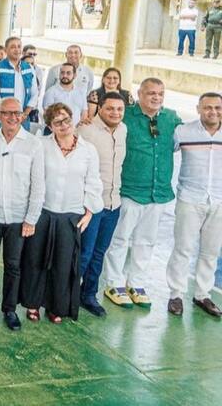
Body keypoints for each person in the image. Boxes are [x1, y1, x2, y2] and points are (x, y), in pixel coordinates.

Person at [103, 78, 181, 309]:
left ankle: (136, 283)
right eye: (151, 93)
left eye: (160, 93)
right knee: (119, 238)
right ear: (140, 94)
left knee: (146, 241)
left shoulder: (171, 118)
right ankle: (113, 282)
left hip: (158, 192)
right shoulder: (125, 115)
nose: (156, 97)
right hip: (130, 190)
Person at [20, 103, 102, 323]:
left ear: (72, 119)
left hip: (71, 215)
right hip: (43, 212)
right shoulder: (40, 145)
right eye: (57, 122)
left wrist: (89, 212)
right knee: (35, 260)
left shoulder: (88, 150)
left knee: (63, 264)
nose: (64, 125)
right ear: (50, 126)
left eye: (66, 119)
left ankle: (56, 306)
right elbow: (32, 179)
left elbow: (93, 182)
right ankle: (33, 303)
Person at [0, 97, 45, 331]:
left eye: (17, 113)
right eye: (7, 113)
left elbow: (38, 185)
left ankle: (10, 309)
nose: (12, 117)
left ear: (23, 116)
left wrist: (31, 218)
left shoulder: (33, 144)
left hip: (18, 217)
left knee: (13, 264)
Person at [165, 92, 222, 318]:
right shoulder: (183, 132)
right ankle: (176, 294)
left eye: (217, 107)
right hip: (189, 199)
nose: (213, 112)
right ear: (198, 109)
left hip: (219, 201)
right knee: (183, 248)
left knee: (210, 251)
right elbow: (163, 150)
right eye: (208, 107)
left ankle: (202, 294)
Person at [76, 92, 127, 317]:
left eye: (119, 109)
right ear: (100, 108)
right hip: (91, 204)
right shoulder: (86, 130)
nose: (115, 113)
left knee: (99, 253)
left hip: (113, 203)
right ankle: (66, 295)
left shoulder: (123, 129)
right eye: (110, 108)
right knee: (83, 254)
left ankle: (88, 295)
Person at [0, 37, 38, 131]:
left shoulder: (29, 68)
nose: (17, 50)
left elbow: (34, 94)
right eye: (13, 47)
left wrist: (25, 114)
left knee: (22, 141)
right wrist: (9, 116)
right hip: (0, 119)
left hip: (22, 118)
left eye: (19, 46)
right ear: (6, 50)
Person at [42, 62, 88, 127]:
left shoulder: (81, 92)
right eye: (62, 73)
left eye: (68, 73)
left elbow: (84, 112)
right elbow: (48, 116)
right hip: (57, 130)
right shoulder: (51, 92)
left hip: (76, 130)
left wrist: (78, 128)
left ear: (74, 75)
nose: (65, 76)